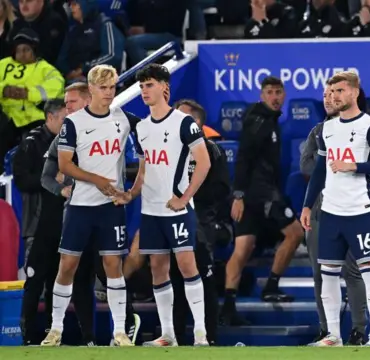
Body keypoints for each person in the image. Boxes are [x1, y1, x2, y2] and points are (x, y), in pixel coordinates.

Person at [40, 65, 138, 347]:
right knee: (67, 265)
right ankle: (55, 329)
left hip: (111, 207)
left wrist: (132, 190)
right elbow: (64, 164)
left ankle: (119, 331)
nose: (109, 93)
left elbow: (151, 137)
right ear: (91, 89)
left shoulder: (123, 119)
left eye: (113, 87)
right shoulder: (73, 123)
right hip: (80, 205)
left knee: (113, 266)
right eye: (103, 88)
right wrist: (96, 179)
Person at [119, 64, 211, 346]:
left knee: (186, 265)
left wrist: (184, 198)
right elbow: (144, 170)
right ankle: (168, 334)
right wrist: (130, 194)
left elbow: (204, 162)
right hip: (150, 210)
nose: (144, 90)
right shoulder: (143, 128)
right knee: (158, 268)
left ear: (164, 88)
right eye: (142, 86)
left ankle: (201, 334)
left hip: (177, 209)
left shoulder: (184, 122)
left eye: (149, 85)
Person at [300, 71, 370, 347]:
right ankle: (333, 336)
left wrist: (355, 166)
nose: (335, 96)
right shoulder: (327, 128)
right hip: (330, 212)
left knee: (369, 273)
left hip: (360, 211)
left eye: (340, 91)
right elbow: (319, 171)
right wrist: (306, 205)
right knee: (327, 275)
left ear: (354, 92)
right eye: (331, 91)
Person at [220, 76, 305, 325]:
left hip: (256, 195)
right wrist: (238, 196)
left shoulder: (267, 119)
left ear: (285, 95)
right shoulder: (258, 121)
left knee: (244, 247)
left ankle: (229, 305)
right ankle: (271, 285)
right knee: (295, 233)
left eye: (279, 92)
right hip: (262, 195)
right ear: (262, 95)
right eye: (270, 92)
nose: (275, 97)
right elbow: (245, 157)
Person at [170, 99, 233, 345]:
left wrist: (189, 195)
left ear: (196, 123)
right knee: (174, 280)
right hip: (172, 220)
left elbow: (221, 189)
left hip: (202, 225)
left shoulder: (211, 150)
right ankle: (173, 336)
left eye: (181, 117)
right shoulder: (171, 150)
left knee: (203, 281)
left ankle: (209, 338)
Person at [13, 99, 66, 345]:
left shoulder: (68, 142)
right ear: (51, 117)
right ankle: (27, 336)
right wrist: (52, 180)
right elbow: (22, 180)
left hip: (61, 224)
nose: (67, 124)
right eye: (63, 119)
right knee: (34, 281)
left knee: (56, 280)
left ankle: (51, 334)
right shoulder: (31, 143)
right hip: (36, 224)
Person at [0, 28, 64, 166]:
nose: (21, 54)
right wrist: (4, 90)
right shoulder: (3, 65)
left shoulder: (45, 68)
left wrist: (28, 93)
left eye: (26, 49)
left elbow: (56, 85)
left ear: (34, 50)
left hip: (36, 118)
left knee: (33, 149)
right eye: (18, 50)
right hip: (10, 118)